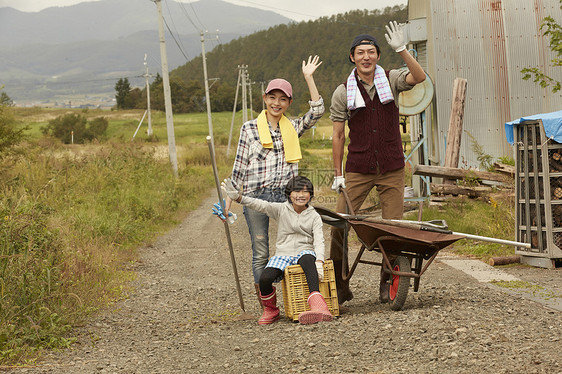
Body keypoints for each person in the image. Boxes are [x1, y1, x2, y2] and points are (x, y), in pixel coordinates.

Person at [329, 21, 426, 305]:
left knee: (394, 228)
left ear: (378, 56)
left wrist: (403, 49)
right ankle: (339, 285)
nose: (366, 57)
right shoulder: (342, 91)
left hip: (391, 167)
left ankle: (389, 281)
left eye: (371, 52)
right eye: (360, 52)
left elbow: (419, 78)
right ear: (352, 57)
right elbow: (337, 135)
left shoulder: (392, 78)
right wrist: (338, 175)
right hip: (357, 169)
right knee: (338, 224)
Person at [222, 56, 325, 308]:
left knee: (294, 246)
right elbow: (239, 165)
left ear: (288, 102)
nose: (276, 103)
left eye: (282, 99)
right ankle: (268, 306)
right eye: (272, 97)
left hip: (285, 198)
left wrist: (309, 78)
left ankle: (299, 298)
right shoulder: (249, 128)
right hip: (256, 196)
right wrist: (228, 200)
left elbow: (318, 111)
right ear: (265, 99)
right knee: (260, 250)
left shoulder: (294, 126)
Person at [222, 176, 332, 325]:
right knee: (265, 278)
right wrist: (239, 198)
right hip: (283, 253)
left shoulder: (314, 216)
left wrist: (319, 260)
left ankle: (319, 306)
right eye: (297, 191)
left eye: (305, 192)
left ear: (310, 195)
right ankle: (271, 310)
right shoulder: (281, 209)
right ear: (289, 194)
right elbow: (260, 204)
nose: (301, 195)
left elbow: (319, 240)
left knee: (308, 260)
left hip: (304, 250)